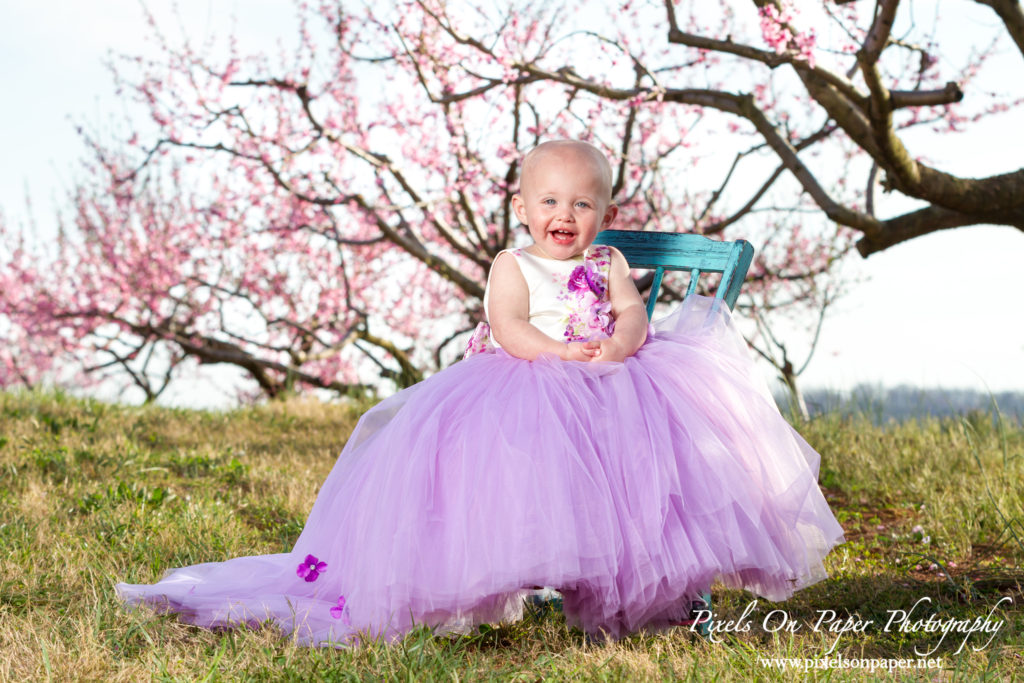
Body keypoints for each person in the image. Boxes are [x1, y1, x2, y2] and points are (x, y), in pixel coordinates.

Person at [117, 140, 845, 646]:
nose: (567, 215)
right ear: (524, 206)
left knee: (658, 455)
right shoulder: (512, 263)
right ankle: (492, 579)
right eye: (551, 200)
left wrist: (617, 347)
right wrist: (561, 353)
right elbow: (510, 326)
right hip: (528, 382)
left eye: (584, 203)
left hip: (615, 383)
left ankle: (631, 598)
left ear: (604, 210)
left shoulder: (609, 259)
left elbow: (630, 315)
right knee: (501, 470)